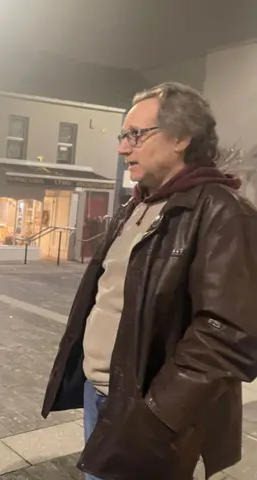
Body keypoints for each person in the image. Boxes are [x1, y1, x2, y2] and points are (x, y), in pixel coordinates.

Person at [41, 82, 257, 480]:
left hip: (148, 414)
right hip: (103, 394)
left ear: (181, 138)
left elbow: (228, 335)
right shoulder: (140, 203)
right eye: (124, 136)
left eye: (136, 135)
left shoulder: (222, 211)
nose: (124, 148)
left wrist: (155, 416)